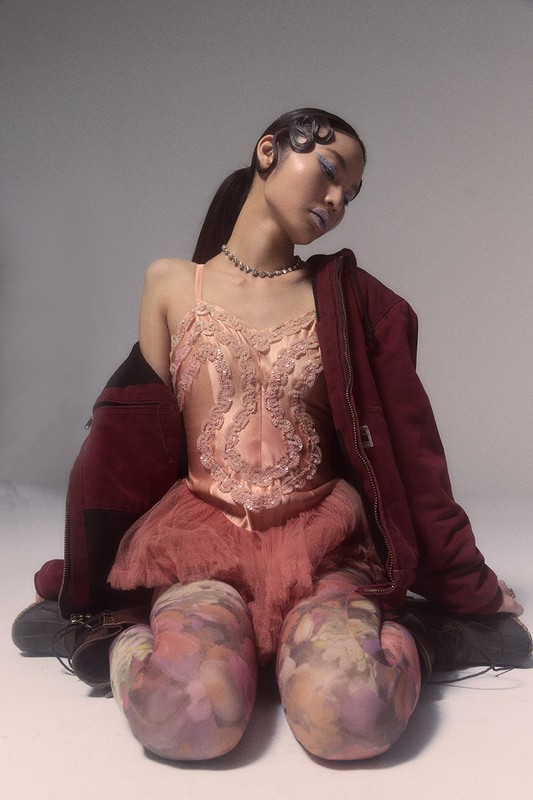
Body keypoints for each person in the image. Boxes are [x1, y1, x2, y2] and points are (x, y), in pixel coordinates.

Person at [12, 109, 531, 762]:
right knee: (185, 720)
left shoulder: (344, 298)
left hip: (324, 549)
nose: (335, 200)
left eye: (350, 194)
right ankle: (122, 641)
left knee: (357, 718)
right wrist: (89, 581)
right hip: (198, 545)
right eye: (330, 171)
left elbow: (412, 452)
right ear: (268, 152)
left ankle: (425, 640)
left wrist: (466, 586)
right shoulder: (171, 283)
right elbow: (133, 442)